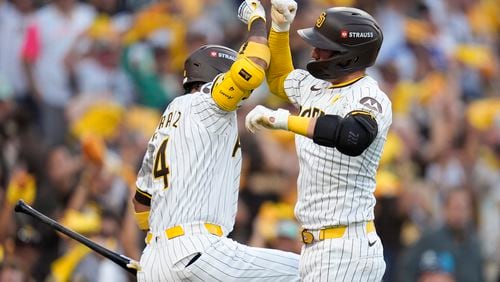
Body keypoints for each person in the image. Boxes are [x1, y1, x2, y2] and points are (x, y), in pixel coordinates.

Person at [131, 1, 300, 281]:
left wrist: (165, 252)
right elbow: (253, 70)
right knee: (311, 271)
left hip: (154, 262)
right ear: (216, 76)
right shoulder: (207, 103)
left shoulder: (169, 118)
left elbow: (141, 210)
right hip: (199, 249)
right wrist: (257, 19)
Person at [244, 1, 391, 281]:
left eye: (323, 47)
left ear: (348, 55)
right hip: (316, 246)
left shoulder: (369, 95)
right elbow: (278, 79)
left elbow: (353, 135)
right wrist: (280, 27)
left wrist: (284, 121)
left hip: (347, 247)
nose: (314, 51)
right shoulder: (317, 85)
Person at [398, 189, 484, 282]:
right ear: (445, 210)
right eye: (456, 207)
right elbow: (404, 270)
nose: (460, 213)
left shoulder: (474, 245)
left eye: (465, 208)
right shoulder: (429, 239)